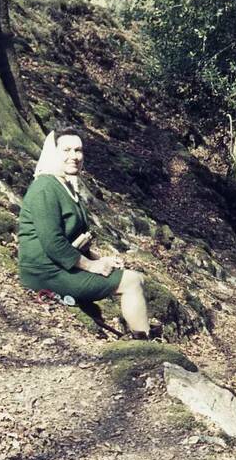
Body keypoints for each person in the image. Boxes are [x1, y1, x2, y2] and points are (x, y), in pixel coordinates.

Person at [18, 128, 151, 338]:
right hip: (45, 273)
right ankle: (146, 345)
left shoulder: (65, 186)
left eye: (78, 150)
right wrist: (92, 266)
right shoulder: (45, 188)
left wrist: (100, 258)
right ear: (53, 153)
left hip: (61, 266)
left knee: (136, 278)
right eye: (67, 150)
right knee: (132, 281)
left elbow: (75, 237)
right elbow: (53, 243)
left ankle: (142, 337)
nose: (74, 156)